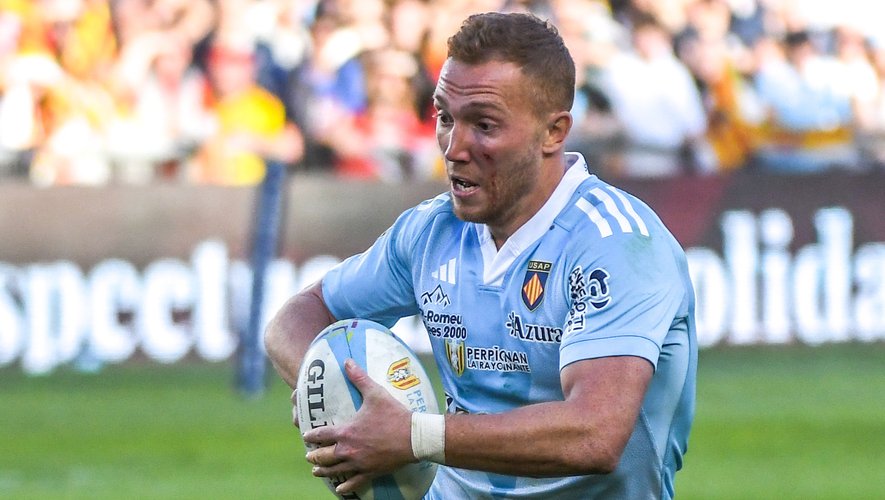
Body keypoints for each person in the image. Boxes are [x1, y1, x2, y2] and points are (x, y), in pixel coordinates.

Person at [265, 11, 696, 499]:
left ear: (554, 132)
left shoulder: (618, 243)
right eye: (445, 117)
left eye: (484, 125)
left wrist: (413, 436)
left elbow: (595, 433)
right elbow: (298, 315)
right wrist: (328, 388)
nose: (454, 148)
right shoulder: (431, 232)